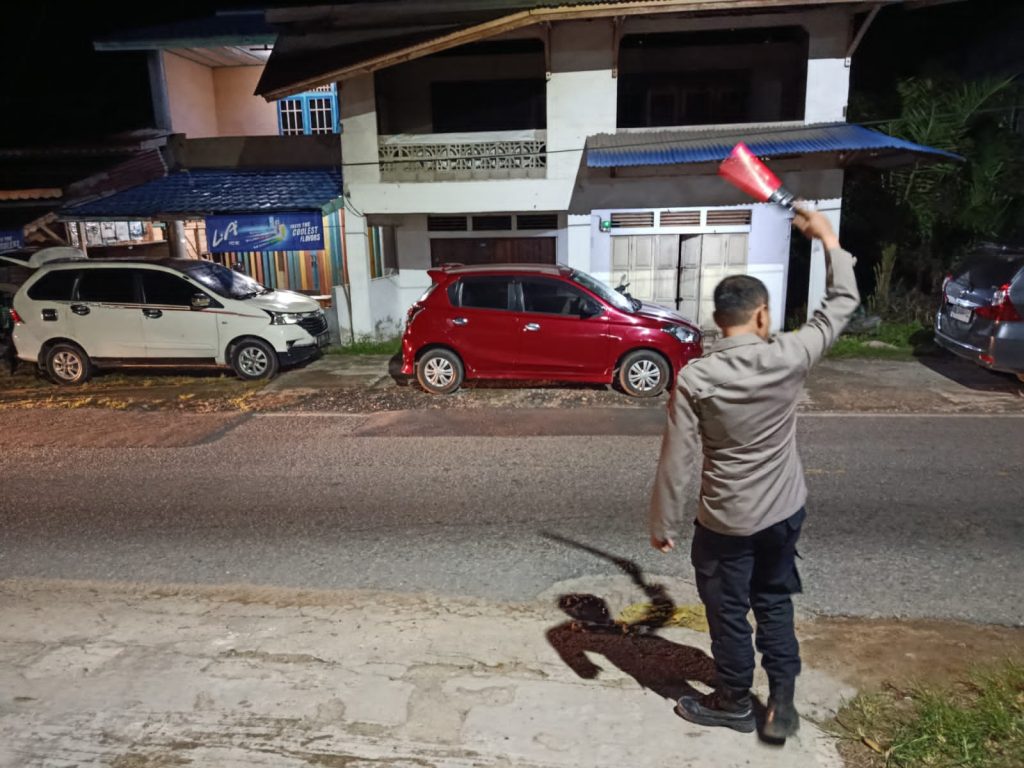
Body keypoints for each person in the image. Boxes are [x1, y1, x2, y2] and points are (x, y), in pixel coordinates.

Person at [648, 208, 860, 740]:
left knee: (728, 614)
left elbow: (678, 456)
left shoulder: (697, 377)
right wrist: (827, 238)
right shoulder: (791, 354)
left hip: (727, 521)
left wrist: (664, 523)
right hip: (784, 513)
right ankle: (782, 705)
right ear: (761, 316)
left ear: (719, 320)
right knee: (773, 603)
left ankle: (734, 703)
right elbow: (842, 303)